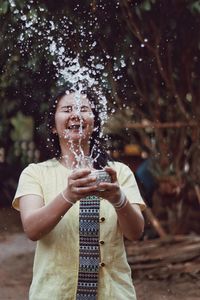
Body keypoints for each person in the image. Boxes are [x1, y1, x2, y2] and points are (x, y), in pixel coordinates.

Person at [12, 84, 146, 300]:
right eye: (67, 110)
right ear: (54, 127)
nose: (76, 114)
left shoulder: (118, 173)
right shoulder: (35, 174)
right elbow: (32, 229)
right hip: (54, 294)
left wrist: (118, 199)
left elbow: (136, 233)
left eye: (84, 109)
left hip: (114, 294)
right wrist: (69, 196)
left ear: (94, 123)